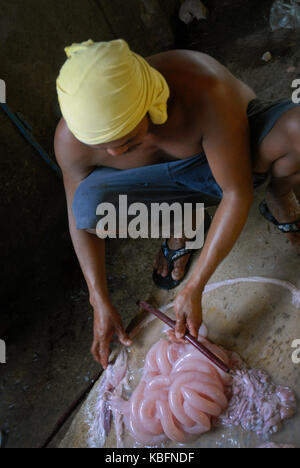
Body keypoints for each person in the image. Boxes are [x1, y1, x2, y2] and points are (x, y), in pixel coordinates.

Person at [54, 39, 300, 368]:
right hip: (164, 182)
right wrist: (97, 296)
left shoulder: (202, 88)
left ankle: (280, 195)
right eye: (102, 146)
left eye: (126, 139)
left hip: (231, 157)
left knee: (296, 132)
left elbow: (235, 191)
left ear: (147, 103)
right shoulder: (70, 140)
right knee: (90, 206)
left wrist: (196, 284)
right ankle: (181, 221)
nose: (114, 154)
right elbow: (77, 218)